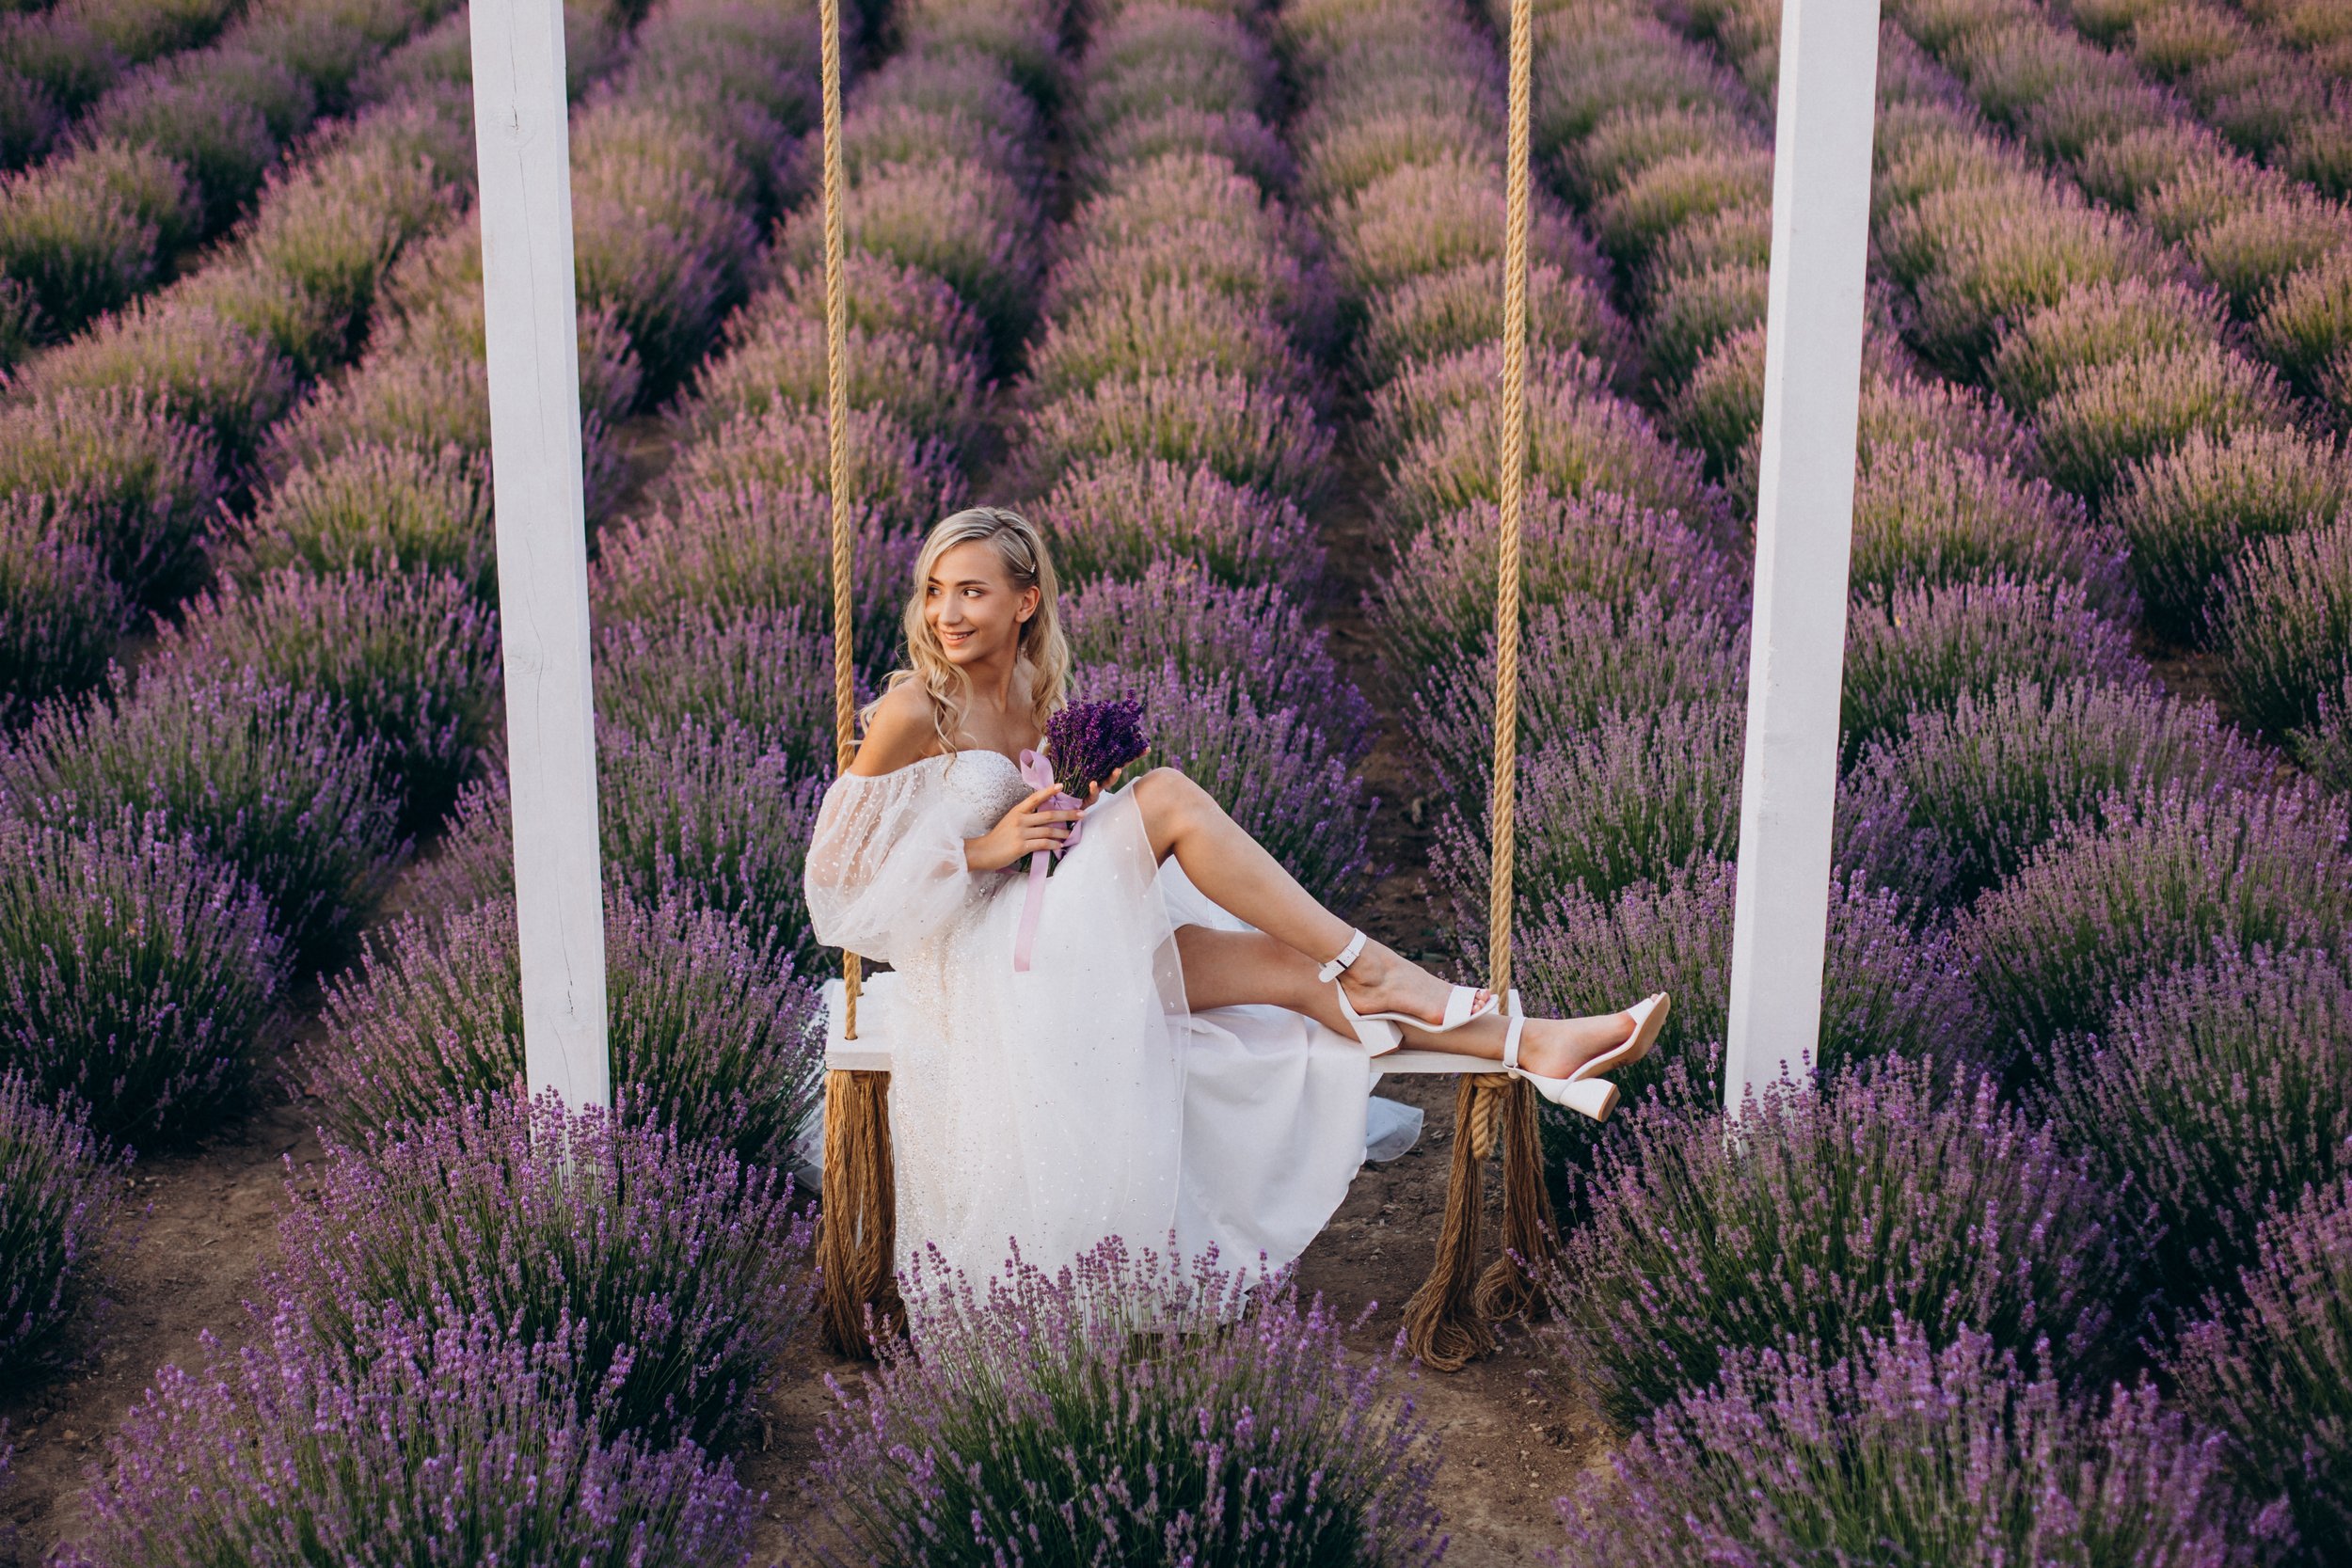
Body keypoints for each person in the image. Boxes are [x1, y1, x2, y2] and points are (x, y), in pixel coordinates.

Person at [803, 506, 1668, 1302]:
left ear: (1026, 601)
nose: (948, 612)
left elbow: (1042, 835)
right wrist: (989, 848)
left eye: (972, 591)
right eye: (935, 591)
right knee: (1170, 796)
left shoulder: (1038, 694)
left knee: (1285, 970)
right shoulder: (918, 706)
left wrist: (1076, 818)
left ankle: (1535, 1043)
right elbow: (834, 880)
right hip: (985, 962)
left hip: (1055, 927)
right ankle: (1374, 964)